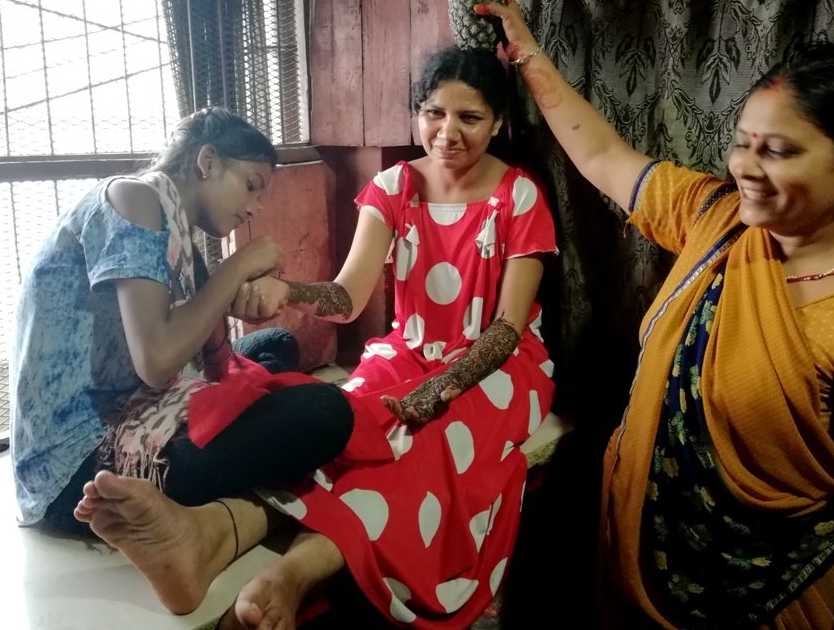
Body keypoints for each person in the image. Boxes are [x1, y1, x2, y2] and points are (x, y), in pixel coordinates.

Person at [74, 45, 559, 629]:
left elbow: (507, 328)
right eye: (434, 113)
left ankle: (290, 573)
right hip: (406, 352)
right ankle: (212, 535)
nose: (447, 132)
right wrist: (289, 291)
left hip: (498, 366)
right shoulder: (392, 187)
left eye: (470, 118)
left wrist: (443, 387)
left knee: (428, 438)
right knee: (345, 432)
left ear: (499, 122)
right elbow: (347, 296)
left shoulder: (519, 195)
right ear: (417, 113)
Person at [477, 0, 834, 629]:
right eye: (742, 144)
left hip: (760, 602)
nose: (745, 168)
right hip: (629, 567)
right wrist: (528, 55)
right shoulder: (717, 218)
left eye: (779, 151)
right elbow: (602, 156)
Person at [10, 106, 355, 550]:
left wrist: (241, 299)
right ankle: (187, 513)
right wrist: (237, 267)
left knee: (276, 343)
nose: (255, 207)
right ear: (207, 161)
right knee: (326, 411)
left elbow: (212, 358)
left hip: (129, 402)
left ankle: (218, 479)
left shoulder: (174, 227)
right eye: (251, 185)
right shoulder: (134, 201)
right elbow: (156, 361)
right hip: (80, 465)